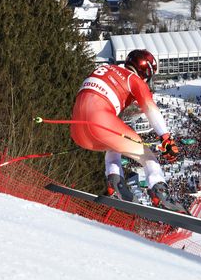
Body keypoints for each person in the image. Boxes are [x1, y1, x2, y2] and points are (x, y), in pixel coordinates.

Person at [70, 49, 185, 212]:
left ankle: (115, 180)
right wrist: (166, 137)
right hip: (101, 122)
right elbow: (150, 108)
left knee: (113, 145)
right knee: (147, 156)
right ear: (145, 71)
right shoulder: (134, 80)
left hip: (77, 129)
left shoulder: (104, 69)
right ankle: (161, 193)